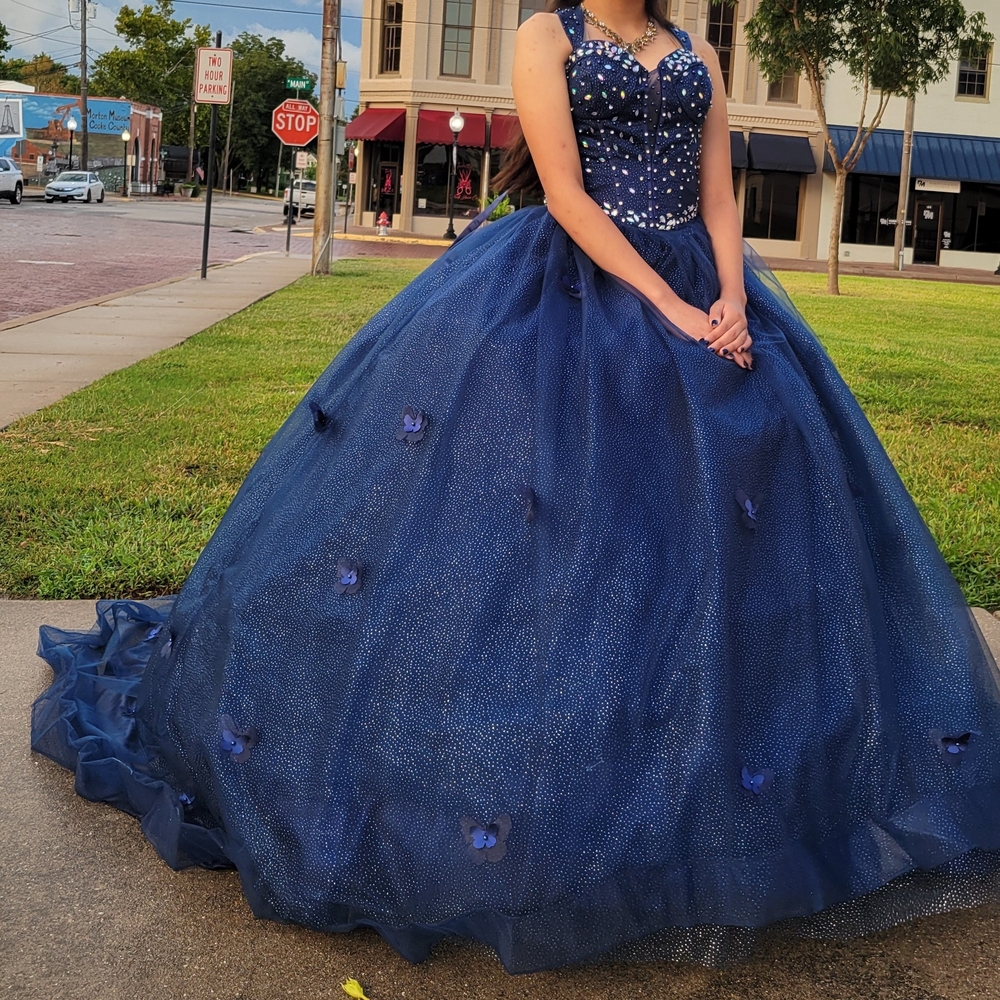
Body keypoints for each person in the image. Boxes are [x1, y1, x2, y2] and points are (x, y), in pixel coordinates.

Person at [32, 0, 1000, 975]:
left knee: (718, 532)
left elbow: (718, 198)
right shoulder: (548, 38)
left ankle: (733, 772)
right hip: (572, 291)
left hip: (707, 295)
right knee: (551, 529)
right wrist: (666, 302)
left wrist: (733, 300)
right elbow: (570, 198)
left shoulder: (697, 50)